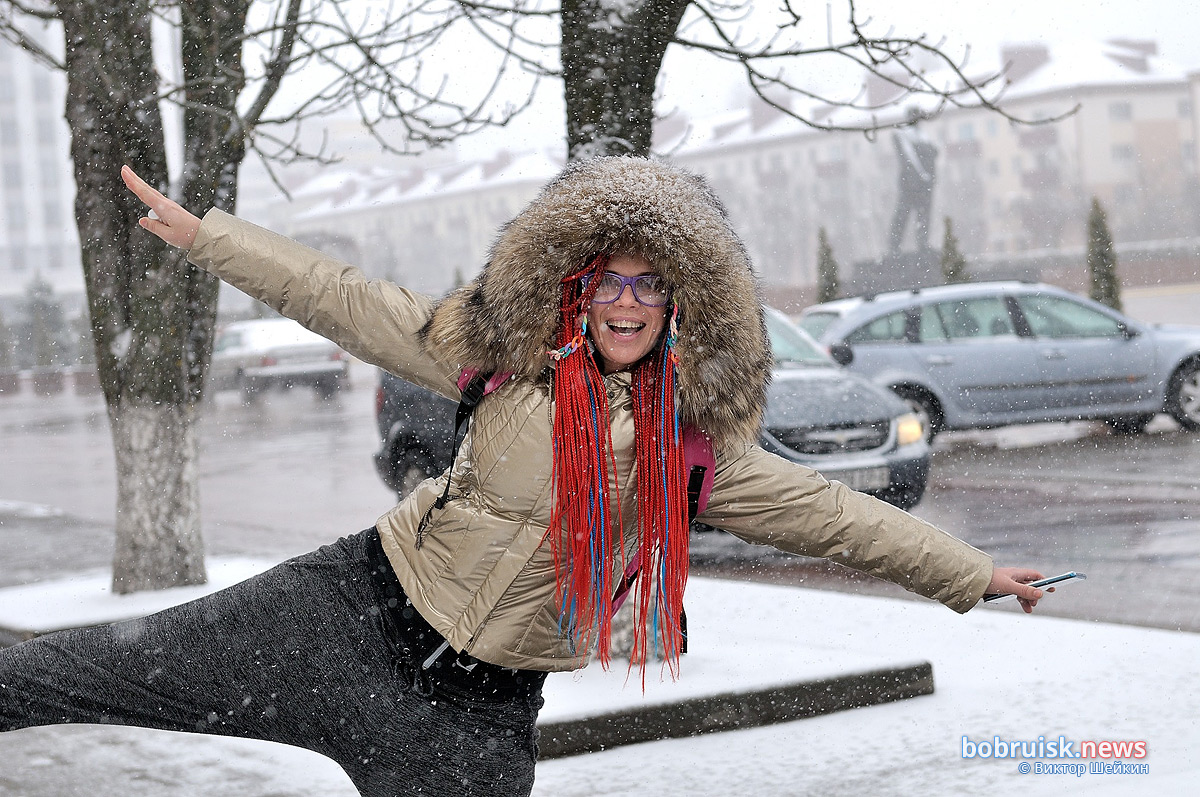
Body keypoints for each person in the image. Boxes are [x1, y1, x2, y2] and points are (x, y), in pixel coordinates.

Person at [1, 157, 1046, 796]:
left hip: (469, 720)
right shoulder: (502, 354)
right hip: (342, 614)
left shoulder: (698, 446)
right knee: (65, 671)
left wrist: (972, 569)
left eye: (652, 285)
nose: (627, 302)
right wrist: (207, 237)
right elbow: (346, 298)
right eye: (609, 281)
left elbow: (833, 516)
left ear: (681, 304)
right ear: (579, 288)